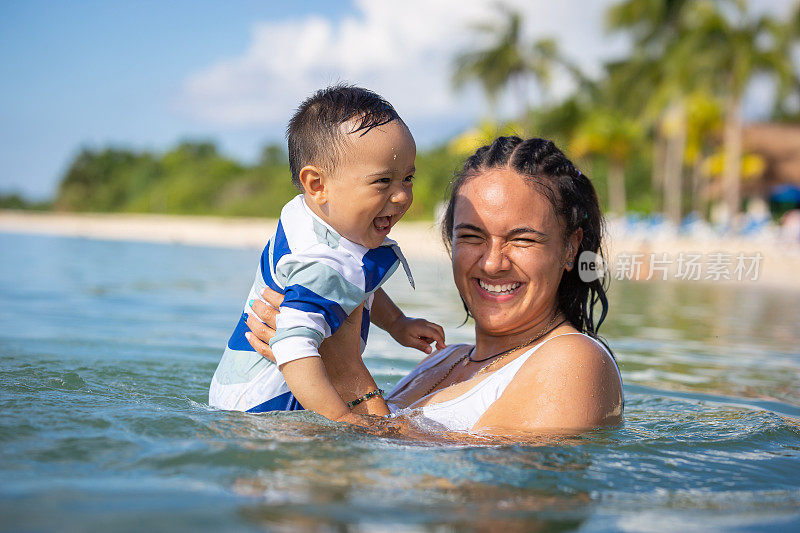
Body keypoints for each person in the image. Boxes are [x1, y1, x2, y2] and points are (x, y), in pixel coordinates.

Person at [245, 136, 623, 436]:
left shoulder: (574, 360)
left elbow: (498, 501)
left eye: (522, 240)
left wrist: (344, 368)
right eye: (473, 237)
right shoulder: (447, 356)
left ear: (570, 248)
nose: (492, 263)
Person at [208, 85, 445, 422]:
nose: (401, 196)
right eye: (383, 182)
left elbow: (351, 286)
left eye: (407, 178)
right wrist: (347, 421)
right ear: (317, 185)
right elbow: (293, 349)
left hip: (240, 390)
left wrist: (396, 323)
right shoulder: (320, 263)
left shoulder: (312, 219)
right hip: (268, 407)